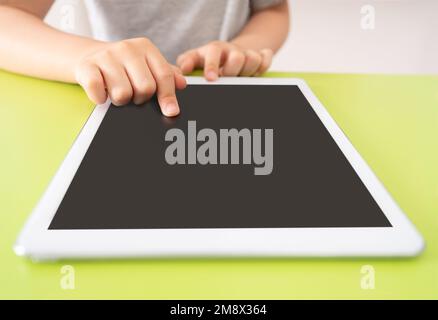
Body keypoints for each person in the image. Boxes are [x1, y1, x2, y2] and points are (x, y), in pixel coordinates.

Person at [0, 0, 289, 116]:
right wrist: (84, 56)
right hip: (102, 103)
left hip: (227, 101)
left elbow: (272, 9)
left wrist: (244, 47)